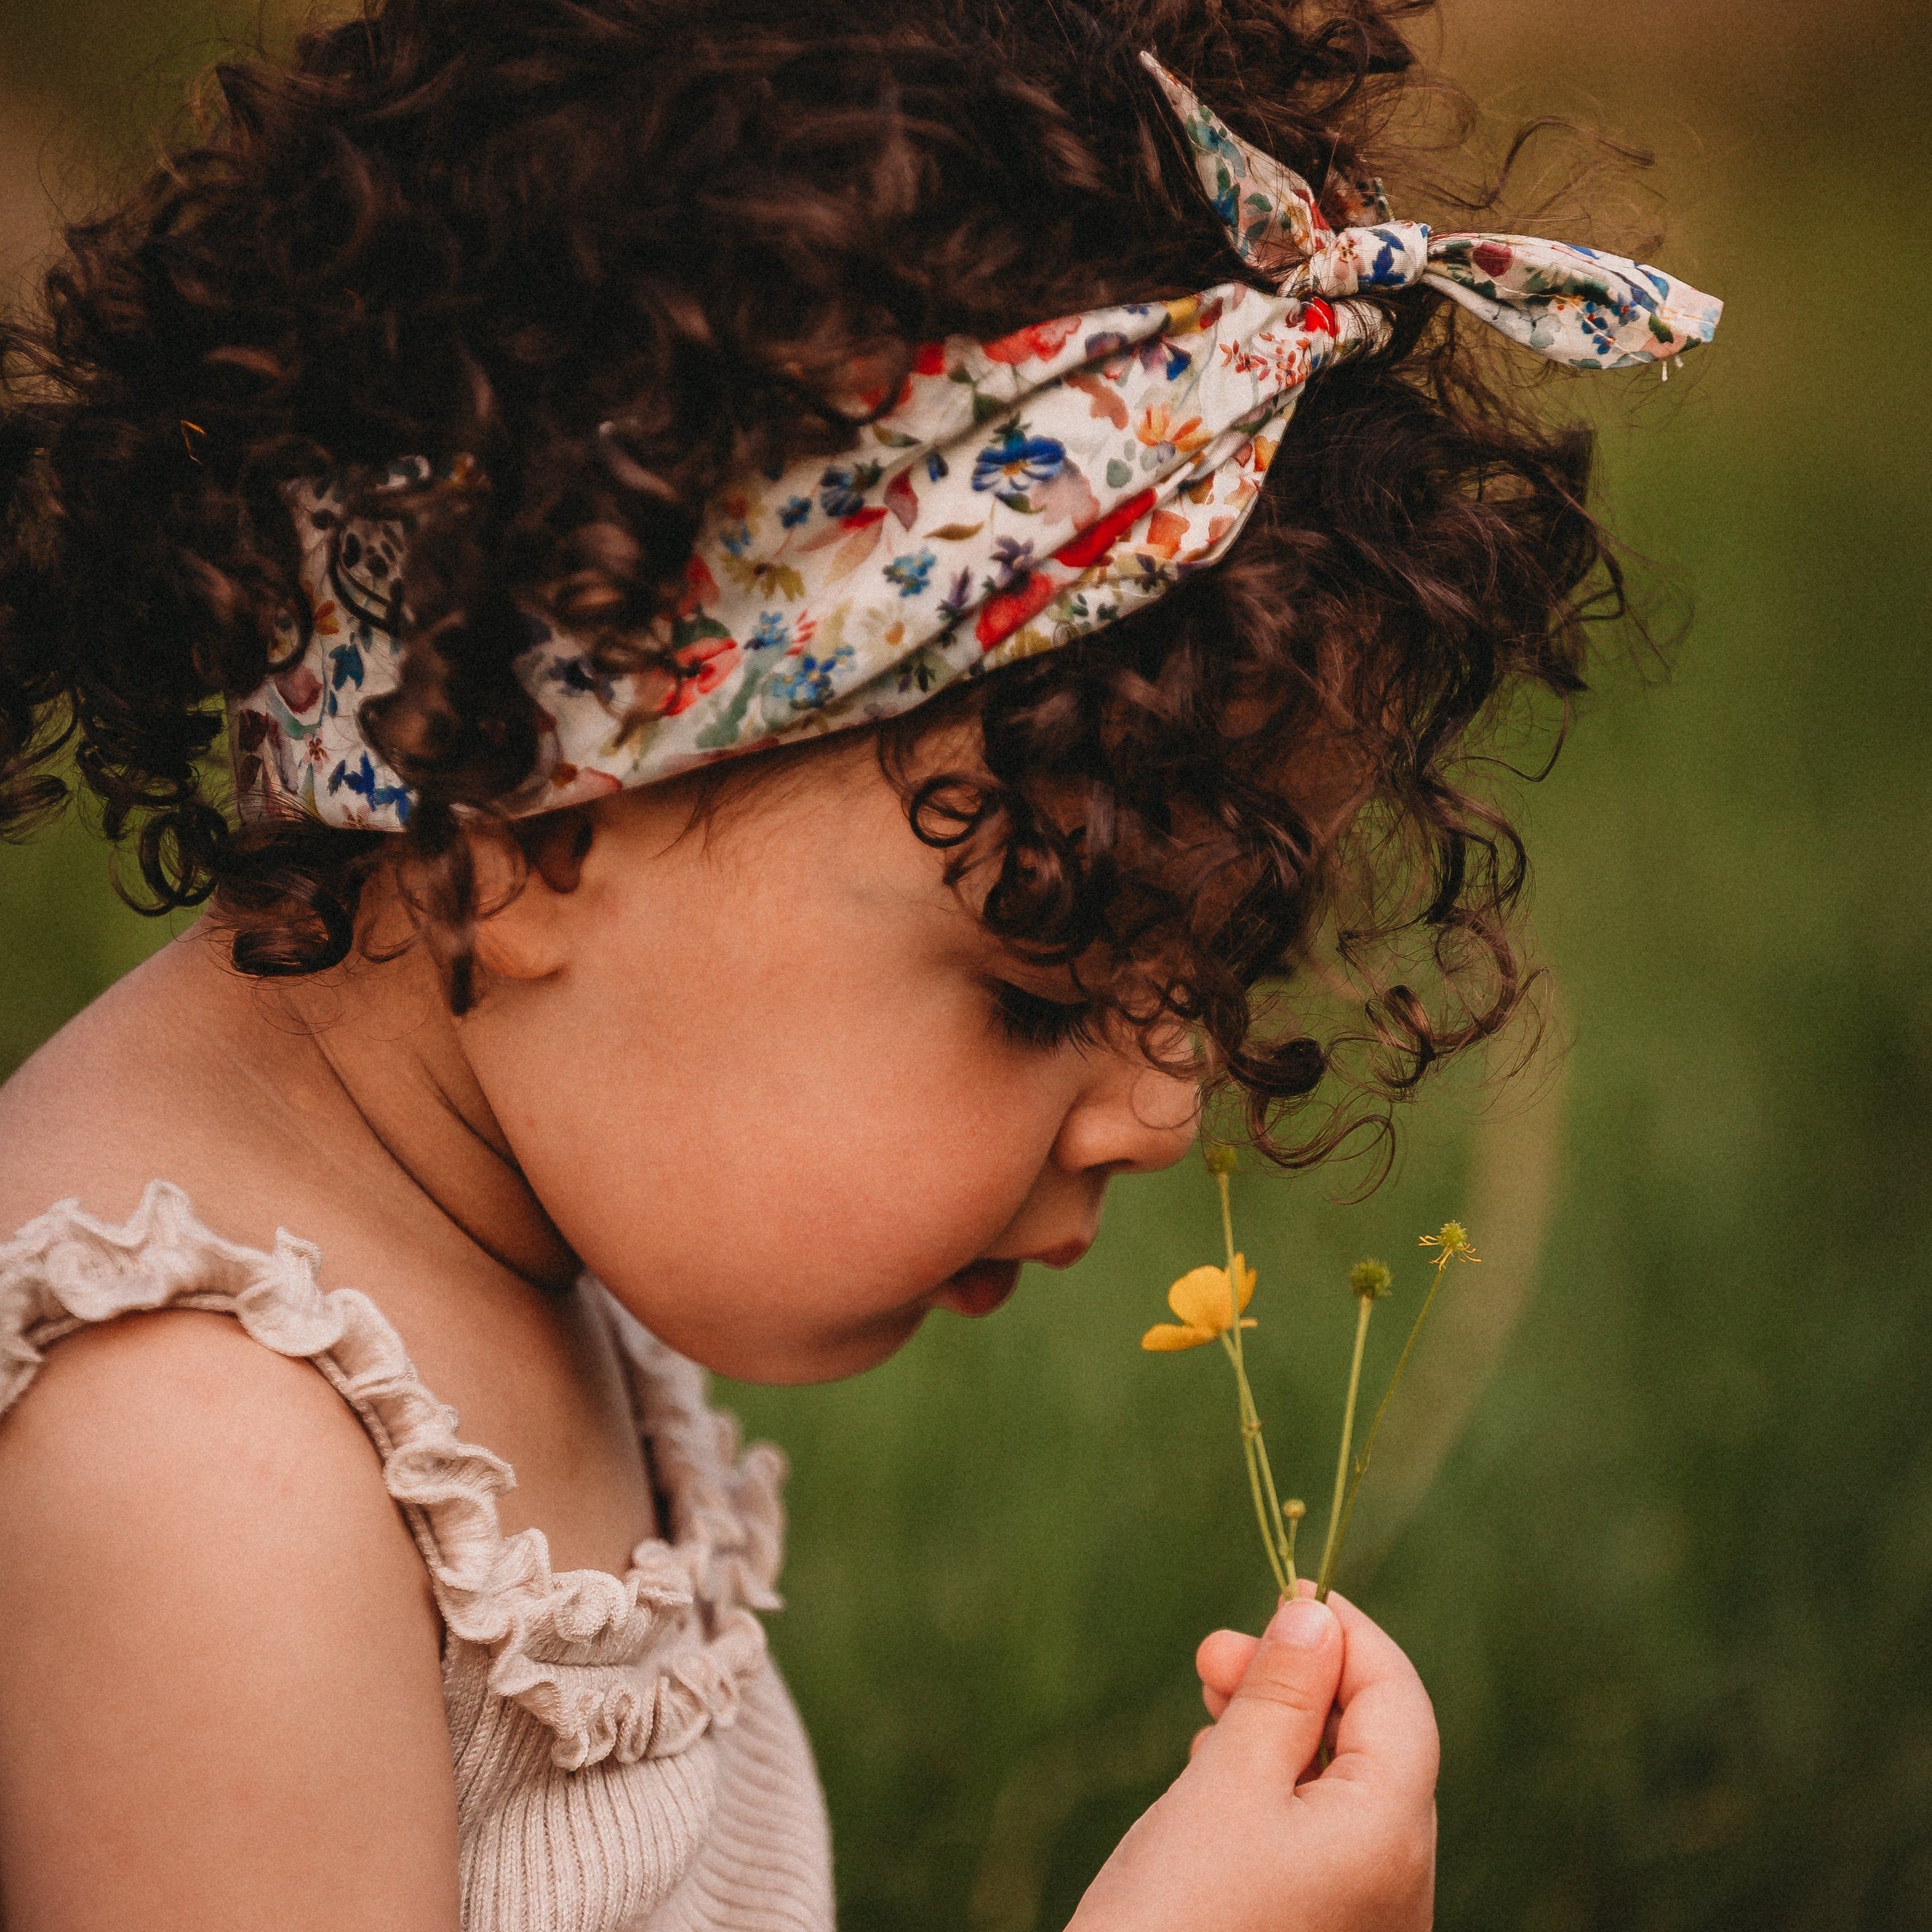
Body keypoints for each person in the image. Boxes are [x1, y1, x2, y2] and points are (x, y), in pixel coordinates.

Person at [0, 0, 1718, 1926]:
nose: (1165, 1109)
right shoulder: (195, 1475)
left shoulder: (513, 1188)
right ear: (528, 828)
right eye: (1039, 978)